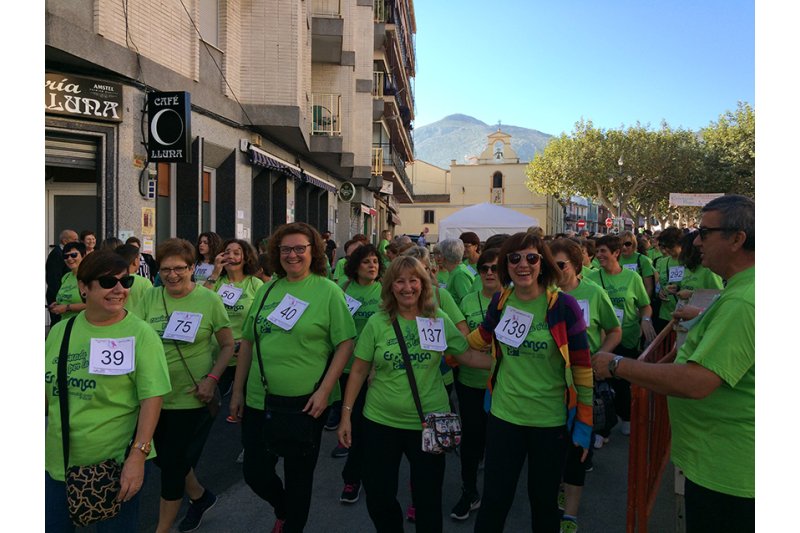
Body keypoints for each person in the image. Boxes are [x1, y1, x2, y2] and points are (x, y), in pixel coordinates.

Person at [593, 195, 754, 533]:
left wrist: (618, 364)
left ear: (737, 239)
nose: (695, 240)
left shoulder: (743, 300)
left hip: (728, 473)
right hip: (724, 464)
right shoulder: (742, 292)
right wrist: (704, 317)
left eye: (705, 232)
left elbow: (696, 382)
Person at [337, 256, 489, 533]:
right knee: (379, 497)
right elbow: (358, 371)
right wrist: (346, 416)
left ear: (424, 284)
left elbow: (466, 355)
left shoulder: (438, 319)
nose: (407, 287)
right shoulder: (377, 322)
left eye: (413, 280)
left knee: (428, 501)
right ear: (390, 286)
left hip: (429, 424)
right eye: (400, 281)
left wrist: (508, 362)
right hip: (381, 421)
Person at [228, 222, 356, 533]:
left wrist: (326, 390)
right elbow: (248, 340)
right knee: (255, 472)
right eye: (285, 249)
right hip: (260, 398)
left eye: (300, 248)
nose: (292, 255)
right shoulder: (269, 288)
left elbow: (346, 343)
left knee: (299, 478)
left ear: (314, 252)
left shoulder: (328, 292)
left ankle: (292, 523)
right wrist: (237, 391)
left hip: (306, 402)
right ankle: (283, 509)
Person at [465, 232, 593, 532]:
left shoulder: (564, 307)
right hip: (504, 417)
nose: (523, 265)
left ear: (543, 263)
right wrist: (437, 326)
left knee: (544, 504)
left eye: (532, 258)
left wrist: (585, 425)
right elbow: (480, 339)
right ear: (506, 265)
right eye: (515, 258)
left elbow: (583, 368)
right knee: (494, 501)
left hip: (549, 422)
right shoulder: (500, 301)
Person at [45, 251, 171, 532]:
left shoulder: (140, 334)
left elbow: (152, 397)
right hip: (57, 462)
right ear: (83, 287)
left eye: (125, 281)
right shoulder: (60, 332)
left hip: (113, 465)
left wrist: (138, 455)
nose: (119, 289)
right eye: (107, 282)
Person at [130, 238, 235, 533]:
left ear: (192, 268)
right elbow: (133, 335)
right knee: (165, 458)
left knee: (173, 465)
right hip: (153, 397)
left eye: (179, 268)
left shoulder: (209, 300)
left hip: (192, 396)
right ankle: (200, 497)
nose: (172, 275)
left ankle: (162, 529)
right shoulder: (151, 297)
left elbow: (228, 346)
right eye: (165, 270)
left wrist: (212, 380)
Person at [548, 238, 622, 532]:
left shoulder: (593, 292)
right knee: (553, 449)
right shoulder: (545, 295)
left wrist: (601, 356)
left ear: (577, 265)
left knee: (577, 449)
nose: (555, 271)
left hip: (583, 382)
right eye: (550, 265)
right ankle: (556, 495)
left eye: (561, 265)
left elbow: (614, 330)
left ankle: (570, 516)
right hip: (550, 384)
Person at [449, 247, 502, 521]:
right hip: (469, 383)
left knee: (498, 445)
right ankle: (469, 491)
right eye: (484, 268)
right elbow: (461, 340)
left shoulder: (514, 301)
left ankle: (495, 497)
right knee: (470, 442)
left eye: (495, 268)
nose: (490, 273)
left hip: (504, 386)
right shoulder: (468, 301)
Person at [583, 234, 655, 437]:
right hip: (603, 339)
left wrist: (646, 320)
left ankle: (626, 416)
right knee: (602, 383)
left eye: (603, 251)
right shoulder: (592, 278)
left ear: (616, 253)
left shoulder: (632, 278)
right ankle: (603, 428)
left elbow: (645, 306)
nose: (599, 256)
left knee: (621, 382)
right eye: (597, 252)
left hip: (628, 338)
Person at [331, 244, 385, 502]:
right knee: (349, 420)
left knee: (362, 426)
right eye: (366, 262)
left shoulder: (385, 291)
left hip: (373, 371)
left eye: (375, 261)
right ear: (355, 266)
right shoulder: (341, 288)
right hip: (344, 367)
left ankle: (352, 478)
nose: (372, 265)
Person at [201, 238, 265, 403]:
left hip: (244, 354)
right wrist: (215, 272)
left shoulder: (255, 284)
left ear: (246, 258)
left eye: (237, 253)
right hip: (217, 355)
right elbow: (200, 303)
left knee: (243, 402)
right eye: (227, 252)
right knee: (211, 404)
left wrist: (245, 342)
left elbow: (260, 318)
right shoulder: (216, 282)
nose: (231, 256)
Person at [651, 226, 685, 333]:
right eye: (664, 246)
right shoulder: (663, 262)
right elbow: (660, 284)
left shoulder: (688, 261)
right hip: (665, 315)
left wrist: (679, 289)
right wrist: (660, 291)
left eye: (670, 246)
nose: (667, 250)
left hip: (683, 315)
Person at [49, 242, 88, 322]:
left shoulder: (90, 276)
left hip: (82, 324)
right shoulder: (66, 277)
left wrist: (67, 307)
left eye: (74, 255)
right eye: (66, 256)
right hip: (65, 323)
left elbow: (96, 305)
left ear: (83, 256)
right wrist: (58, 303)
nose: (69, 258)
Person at [46, 229, 79, 325]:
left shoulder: (61, 253)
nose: (77, 242)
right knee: (57, 323)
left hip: (65, 298)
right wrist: (59, 298)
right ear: (65, 241)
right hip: (57, 296)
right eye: (75, 239)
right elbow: (53, 279)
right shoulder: (57, 254)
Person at [114, 244, 154, 310]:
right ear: (135, 261)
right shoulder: (144, 282)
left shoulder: (111, 280)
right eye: (139, 258)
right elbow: (152, 305)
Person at [619, 230, 656, 299]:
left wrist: (643, 306)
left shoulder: (643, 260)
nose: (624, 247)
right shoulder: (614, 260)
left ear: (634, 244)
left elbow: (649, 288)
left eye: (627, 244)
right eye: (621, 244)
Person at [438, 238, 475, 305]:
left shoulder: (459, 274)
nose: (439, 257)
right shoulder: (457, 270)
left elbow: (468, 303)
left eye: (440, 254)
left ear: (444, 257)